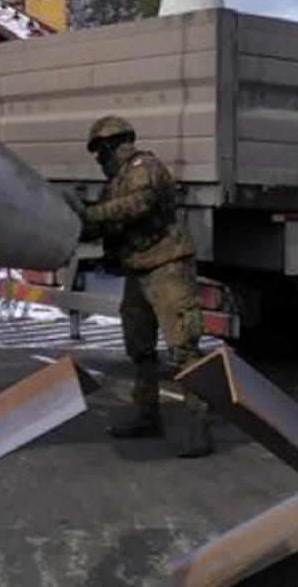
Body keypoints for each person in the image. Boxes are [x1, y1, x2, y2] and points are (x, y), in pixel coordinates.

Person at [64, 115, 213, 458]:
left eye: (99, 151)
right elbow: (104, 225)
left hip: (167, 267)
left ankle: (199, 425)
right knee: (140, 348)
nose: (98, 158)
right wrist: (74, 218)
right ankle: (148, 415)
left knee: (184, 349)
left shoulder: (144, 167)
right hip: (138, 272)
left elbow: (136, 206)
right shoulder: (114, 183)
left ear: (112, 144)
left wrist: (91, 215)